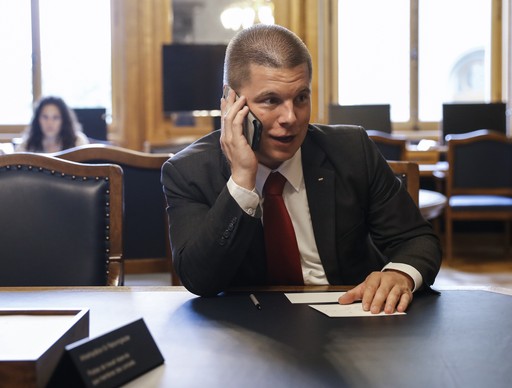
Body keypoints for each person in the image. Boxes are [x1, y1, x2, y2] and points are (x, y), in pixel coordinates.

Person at [161, 24, 442, 314]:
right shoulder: (189, 172)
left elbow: (417, 239)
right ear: (232, 103)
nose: (290, 117)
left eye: (301, 98)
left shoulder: (351, 150)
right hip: (246, 330)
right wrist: (242, 181)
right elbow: (200, 279)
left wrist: (400, 275)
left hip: (351, 322)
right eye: (271, 100)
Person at [16, 96, 89, 153]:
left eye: (55, 117)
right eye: (45, 117)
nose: (49, 123)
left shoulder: (77, 141)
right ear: (38, 120)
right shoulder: (28, 144)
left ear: (64, 120)